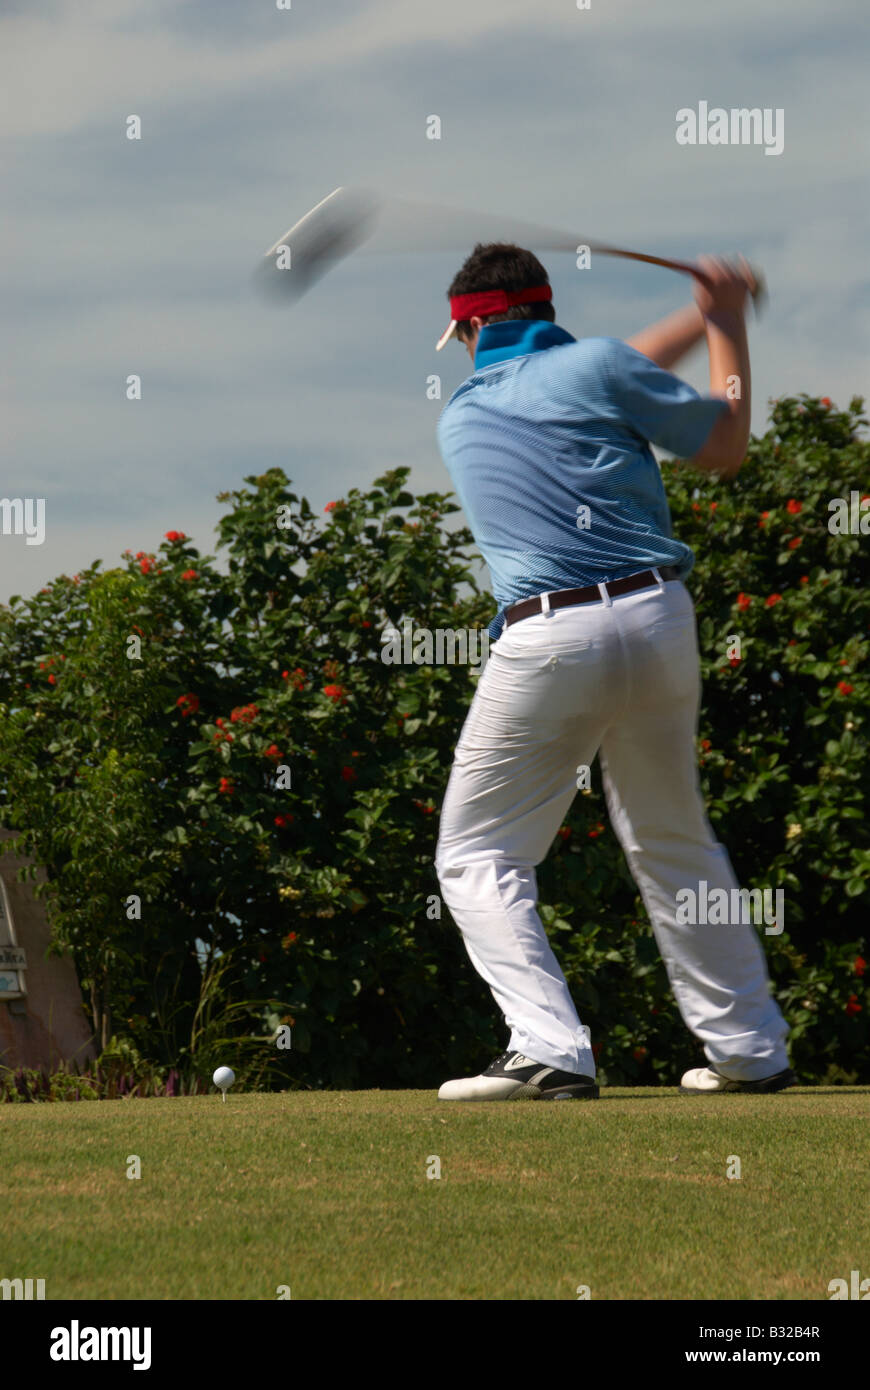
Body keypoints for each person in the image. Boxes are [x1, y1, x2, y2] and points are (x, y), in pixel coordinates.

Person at [432, 242, 793, 1100]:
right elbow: (725, 439)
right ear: (547, 312)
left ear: (470, 329)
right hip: (659, 621)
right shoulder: (595, 367)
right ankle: (752, 1053)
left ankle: (551, 1047)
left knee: (477, 851)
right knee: (673, 838)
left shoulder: (464, 412)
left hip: (549, 639)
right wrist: (725, 325)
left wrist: (712, 314)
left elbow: (611, 375)